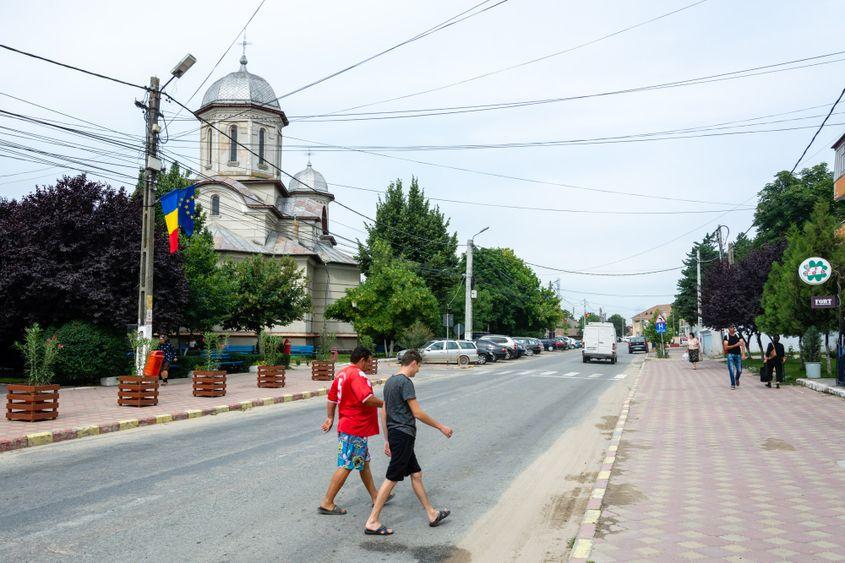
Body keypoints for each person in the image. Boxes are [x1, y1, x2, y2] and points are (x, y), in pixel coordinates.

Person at [364, 349, 453, 536]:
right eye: (419, 366)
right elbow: (417, 413)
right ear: (413, 363)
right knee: (392, 477)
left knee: (416, 474)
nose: (418, 370)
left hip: (397, 436)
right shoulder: (405, 382)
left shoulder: (389, 382)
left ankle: (431, 513)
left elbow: (384, 412)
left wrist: (387, 439)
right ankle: (372, 521)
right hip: (403, 435)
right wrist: (441, 427)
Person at [319, 347, 384, 515]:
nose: (370, 365)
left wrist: (330, 417)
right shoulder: (357, 375)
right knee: (347, 465)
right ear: (362, 360)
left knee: (363, 463)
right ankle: (327, 502)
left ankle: (376, 496)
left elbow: (332, 399)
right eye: (369, 361)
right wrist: (384, 403)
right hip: (355, 427)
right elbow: (366, 399)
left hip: (350, 426)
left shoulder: (342, 373)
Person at [722, 325, 746, 389]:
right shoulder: (726, 336)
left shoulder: (738, 335)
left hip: (738, 355)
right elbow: (726, 347)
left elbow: (742, 343)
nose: (732, 328)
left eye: (733, 327)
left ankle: (737, 378)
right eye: (731, 327)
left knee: (740, 370)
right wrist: (736, 345)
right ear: (728, 329)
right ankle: (733, 384)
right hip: (730, 355)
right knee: (731, 370)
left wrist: (743, 354)